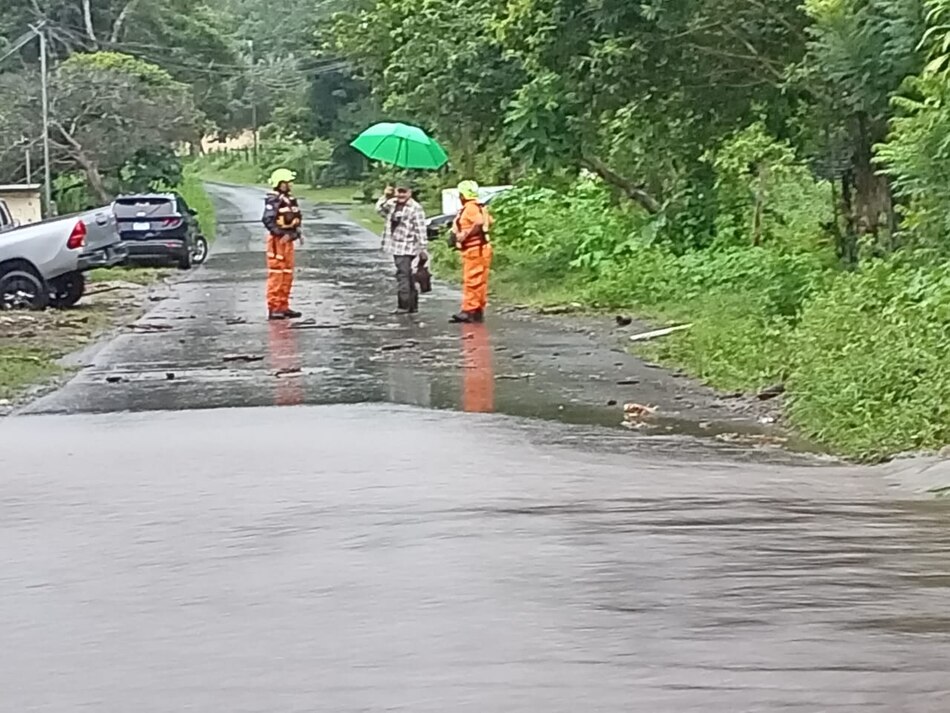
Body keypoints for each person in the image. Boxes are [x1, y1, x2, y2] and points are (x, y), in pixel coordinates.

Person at [377, 182, 428, 314]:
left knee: (403, 275)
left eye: (404, 191)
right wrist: (385, 196)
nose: (401, 194)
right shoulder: (392, 203)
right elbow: (379, 210)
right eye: (399, 191)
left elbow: (420, 229)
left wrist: (423, 248)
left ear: (410, 193)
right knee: (407, 275)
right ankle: (412, 305)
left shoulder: (415, 208)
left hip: (409, 245)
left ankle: (403, 305)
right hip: (396, 245)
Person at [262, 168, 304, 321]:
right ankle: (274, 307)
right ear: (280, 183)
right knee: (277, 273)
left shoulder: (290, 200)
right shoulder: (274, 201)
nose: (290, 185)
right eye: (287, 182)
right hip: (278, 242)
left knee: (287, 274)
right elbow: (268, 220)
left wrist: (296, 233)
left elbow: (295, 217)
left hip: (288, 240)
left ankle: (283, 305)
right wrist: (281, 234)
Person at [450, 180, 493, 323]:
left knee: (472, 281)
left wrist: (465, 235)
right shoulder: (480, 207)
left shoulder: (470, 208)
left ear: (462, 195)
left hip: (475, 250)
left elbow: (480, 223)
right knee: (480, 281)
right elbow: (489, 222)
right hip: (482, 249)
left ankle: (469, 310)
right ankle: (477, 310)